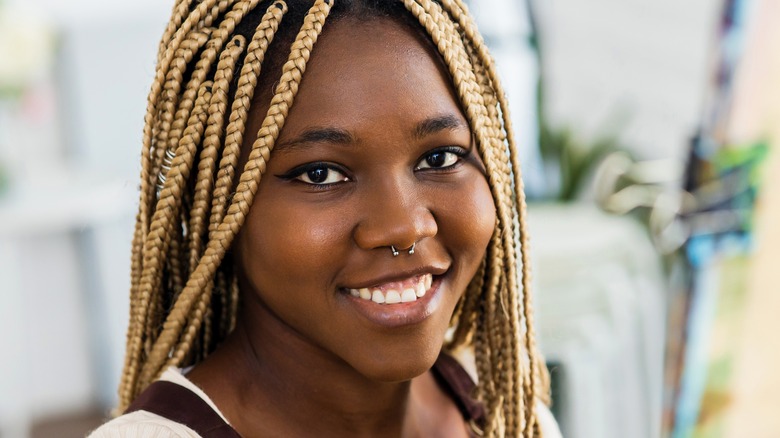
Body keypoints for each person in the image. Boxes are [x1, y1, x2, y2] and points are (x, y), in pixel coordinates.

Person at [90, 0, 559, 436]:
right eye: (321, 174)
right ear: (218, 206)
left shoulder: (504, 406)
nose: (403, 227)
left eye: (439, 158)